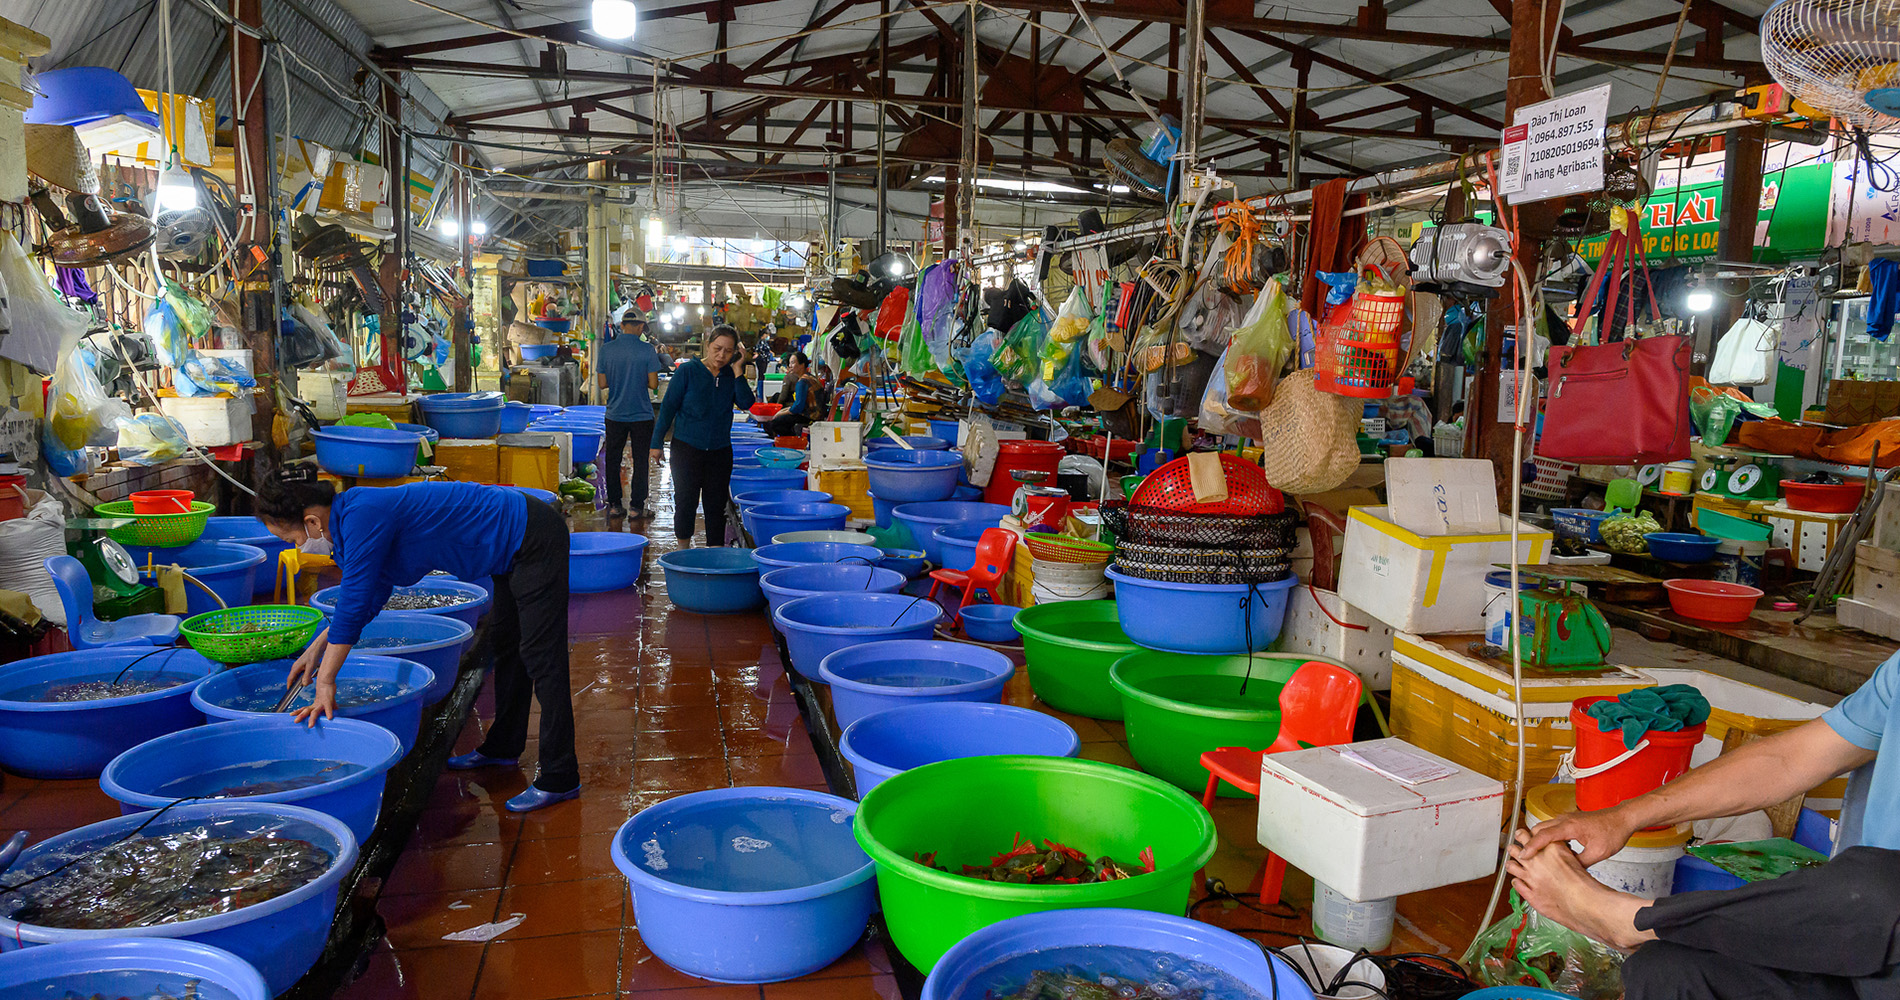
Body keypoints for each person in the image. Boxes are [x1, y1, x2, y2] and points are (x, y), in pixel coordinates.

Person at [1508, 652, 1900, 999]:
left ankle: (1630, 917)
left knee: (1880, 884)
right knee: (1670, 971)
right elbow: (1789, 760)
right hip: (1856, 953)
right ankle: (1643, 922)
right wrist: (1621, 817)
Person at [255, 468, 580, 813]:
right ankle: (503, 746)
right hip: (507, 548)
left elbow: (354, 602)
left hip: (531, 535)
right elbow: (369, 594)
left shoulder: (362, 515)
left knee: (542, 657)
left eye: (292, 539)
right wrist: (316, 650)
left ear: (312, 522)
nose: (297, 546)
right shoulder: (348, 527)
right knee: (508, 647)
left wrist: (326, 681)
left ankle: (560, 776)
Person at [651, 325, 753, 547]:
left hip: (720, 452)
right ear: (708, 344)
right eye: (717, 348)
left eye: (728, 351)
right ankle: (682, 550)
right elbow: (668, 407)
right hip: (687, 449)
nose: (721, 355)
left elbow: (747, 403)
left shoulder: (730, 375)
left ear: (735, 352)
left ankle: (713, 554)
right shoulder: (688, 372)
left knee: (715, 506)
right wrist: (656, 443)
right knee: (685, 502)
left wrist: (738, 369)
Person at [596, 306, 667, 519]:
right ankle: (636, 508)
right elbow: (654, 383)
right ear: (641, 327)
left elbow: (602, 384)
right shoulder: (647, 350)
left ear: (622, 326)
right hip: (642, 415)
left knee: (613, 460)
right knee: (640, 460)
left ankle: (616, 505)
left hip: (615, 414)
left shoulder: (607, 350)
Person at [762, 351, 822, 437]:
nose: (790, 366)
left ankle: (792, 441)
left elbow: (798, 407)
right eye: (789, 363)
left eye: (793, 363)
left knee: (775, 423)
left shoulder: (802, 381)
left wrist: (780, 413)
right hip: (811, 413)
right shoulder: (809, 377)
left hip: (810, 416)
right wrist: (783, 411)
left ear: (802, 365)